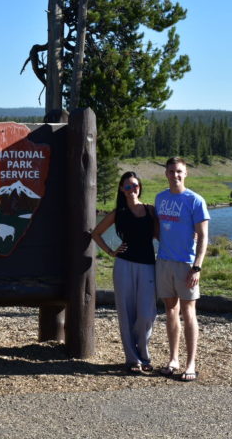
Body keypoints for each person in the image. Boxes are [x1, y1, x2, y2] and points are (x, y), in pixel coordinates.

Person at [92, 171, 158, 374]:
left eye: (135, 186)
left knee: (147, 314)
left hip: (148, 264)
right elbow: (95, 233)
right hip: (123, 266)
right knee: (126, 313)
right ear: (122, 189)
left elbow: (160, 235)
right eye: (128, 186)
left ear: (140, 187)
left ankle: (143, 354)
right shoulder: (117, 213)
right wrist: (111, 251)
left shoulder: (150, 210)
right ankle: (133, 359)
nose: (132, 190)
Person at [155, 157, 210, 382]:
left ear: (185, 173)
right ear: (166, 174)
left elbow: (204, 236)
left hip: (187, 264)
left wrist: (197, 267)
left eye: (179, 171)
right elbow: (158, 229)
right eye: (171, 171)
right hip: (164, 261)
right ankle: (173, 359)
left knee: (189, 312)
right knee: (170, 311)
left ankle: (191, 363)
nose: (175, 175)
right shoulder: (160, 198)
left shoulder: (195, 200)